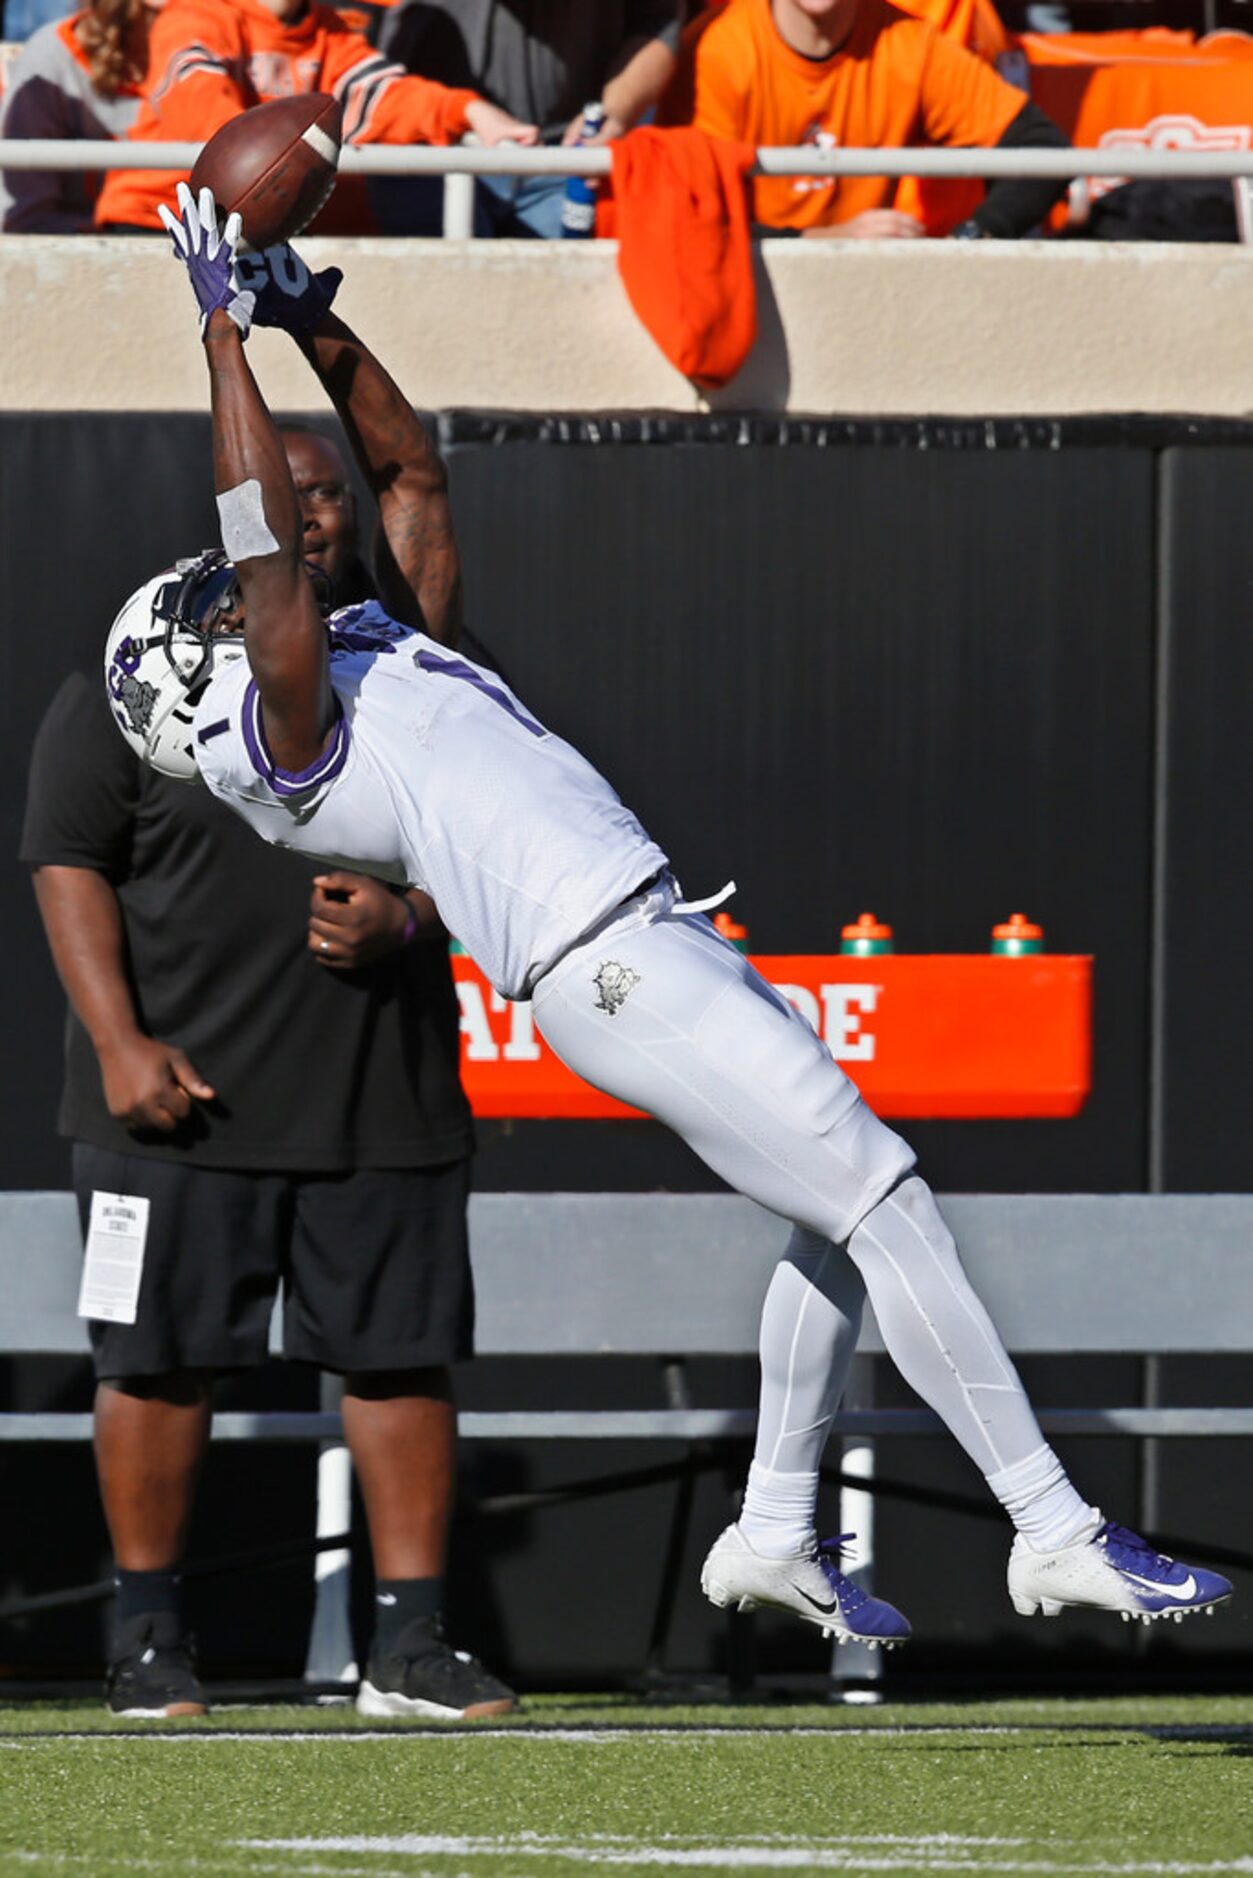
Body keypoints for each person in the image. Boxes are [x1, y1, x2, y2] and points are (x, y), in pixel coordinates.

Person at [124, 183, 1233, 1652]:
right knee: (885, 1191)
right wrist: (217, 329)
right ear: (189, 686)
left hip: (648, 932)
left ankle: (774, 1527)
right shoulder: (280, 746)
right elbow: (264, 556)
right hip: (603, 963)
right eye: (216, 613)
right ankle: (1051, 1525)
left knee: (832, 1220)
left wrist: (305, 311)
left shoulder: (376, 647)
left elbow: (413, 483)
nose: (253, 600)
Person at [23, 241, 517, 1722]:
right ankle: (148, 1640)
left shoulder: (413, 656)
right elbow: (66, 857)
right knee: (159, 1364)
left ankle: (413, 1644)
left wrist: (411, 918)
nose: (318, 508)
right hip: (179, 1088)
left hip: (377, 1091)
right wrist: (116, 1041)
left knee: (399, 1358)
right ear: (236, 512)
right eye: (284, 492)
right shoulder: (141, 671)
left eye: (328, 493)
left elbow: (417, 477)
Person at [92, 0, 537, 233]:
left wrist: (470, 110)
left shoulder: (330, 31)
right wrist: (270, 173)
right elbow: (201, 107)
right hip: (165, 218)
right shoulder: (194, 14)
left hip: (269, 223)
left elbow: (383, 96)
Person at [663, 0, 1071, 240]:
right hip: (751, 293)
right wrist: (822, 241)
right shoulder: (714, 50)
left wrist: (969, 240)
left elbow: (1042, 148)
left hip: (872, 294)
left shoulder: (908, 44)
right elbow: (692, 222)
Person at [372, 0, 685, 236]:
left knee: (554, 305)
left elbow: (657, 23)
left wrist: (614, 111)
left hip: (563, 157)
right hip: (426, 149)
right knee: (437, 302)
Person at [0, 0, 158, 232]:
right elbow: (25, 216)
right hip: (73, 254)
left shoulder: (207, 58)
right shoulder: (50, 60)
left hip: (178, 245)